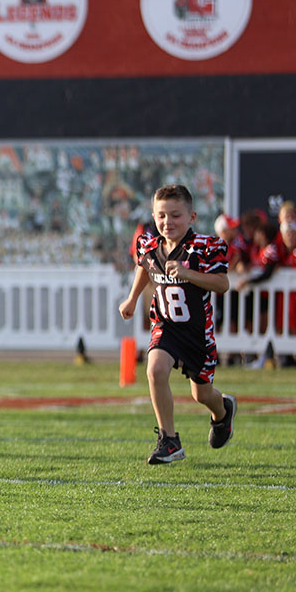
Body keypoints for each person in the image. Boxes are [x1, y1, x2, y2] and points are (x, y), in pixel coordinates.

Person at [119, 184, 236, 464]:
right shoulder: (149, 243)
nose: (167, 222)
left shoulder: (204, 247)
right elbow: (144, 265)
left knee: (202, 394)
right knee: (155, 369)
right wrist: (133, 298)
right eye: (161, 216)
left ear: (191, 217)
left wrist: (188, 273)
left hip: (196, 333)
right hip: (166, 324)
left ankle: (223, 412)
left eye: (175, 216)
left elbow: (222, 284)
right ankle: (169, 440)